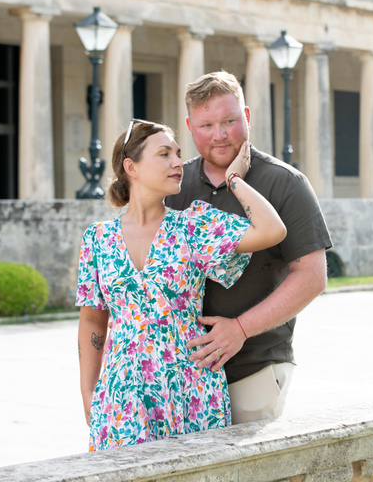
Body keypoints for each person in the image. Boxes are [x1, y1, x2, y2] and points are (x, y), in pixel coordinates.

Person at [76, 120, 286, 451]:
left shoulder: (193, 226)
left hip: (190, 390)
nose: (178, 162)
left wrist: (234, 179)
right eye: (164, 154)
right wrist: (88, 392)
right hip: (122, 398)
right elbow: (92, 319)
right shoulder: (98, 239)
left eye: (177, 153)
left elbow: (272, 230)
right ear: (131, 167)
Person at [165, 71, 333, 424]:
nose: (220, 134)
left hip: (254, 367)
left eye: (230, 120)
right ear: (189, 126)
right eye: (207, 124)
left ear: (248, 117)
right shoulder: (173, 186)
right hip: (180, 374)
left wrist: (240, 328)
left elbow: (312, 277)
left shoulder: (285, 182)